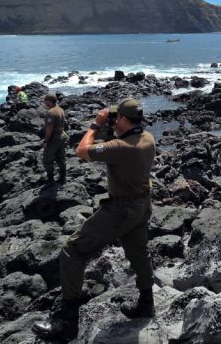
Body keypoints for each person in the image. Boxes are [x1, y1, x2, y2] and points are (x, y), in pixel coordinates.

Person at [33, 98, 156, 339]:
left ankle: (67, 323)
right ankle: (146, 303)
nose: (113, 121)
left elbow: (81, 150)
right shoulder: (147, 138)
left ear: (123, 119)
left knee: (72, 251)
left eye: (116, 117)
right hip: (143, 204)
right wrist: (112, 128)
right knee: (139, 251)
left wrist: (95, 124)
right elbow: (115, 142)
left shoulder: (120, 147)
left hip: (121, 209)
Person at [40, 93, 68, 186]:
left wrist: (46, 141)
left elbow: (49, 128)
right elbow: (65, 124)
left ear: (49, 101)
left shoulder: (51, 112)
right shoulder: (60, 109)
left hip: (54, 138)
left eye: (45, 101)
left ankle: (50, 180)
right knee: (61, 157)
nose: (44, 103)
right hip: (62, 136)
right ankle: (63, 178)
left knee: (47, 159)